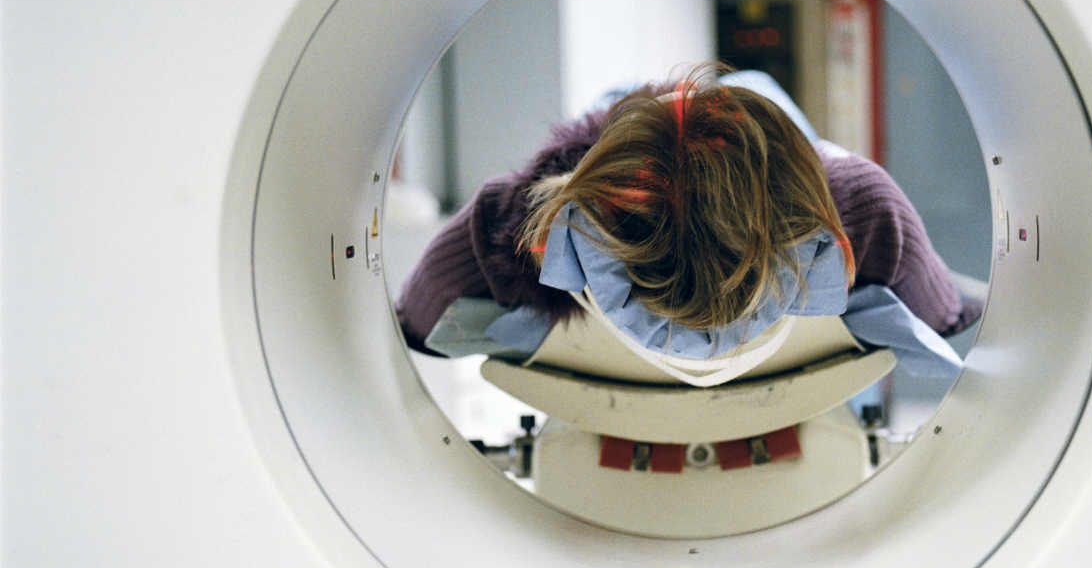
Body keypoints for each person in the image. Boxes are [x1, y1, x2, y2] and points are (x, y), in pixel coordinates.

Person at [395, 70, 981, 375]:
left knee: (643, 102)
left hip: (613, 153)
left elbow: (419, 322)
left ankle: (653, 108)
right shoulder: (863, 207)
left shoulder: (512, 220)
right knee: (752, 91)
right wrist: (957, 305)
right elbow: (941, 315)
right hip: (765, 169)